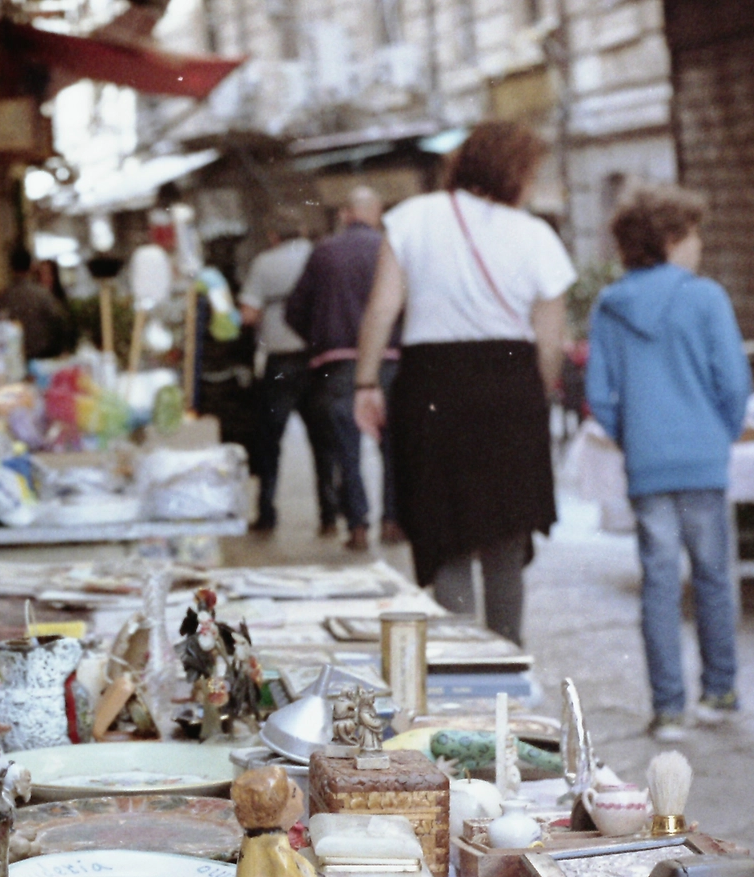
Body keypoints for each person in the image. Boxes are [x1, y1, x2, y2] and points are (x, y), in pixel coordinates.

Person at [353, 121, 575, 646]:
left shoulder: (411, 218)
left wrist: (366, 383)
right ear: (513, 172)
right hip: (510, 388)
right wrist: (535, 395)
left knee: (443, 533)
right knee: (504, 540)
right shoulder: (536, 235)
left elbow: (382, 309)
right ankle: (507, 663)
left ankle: (457, 667)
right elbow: (550, 342)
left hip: (430, 387)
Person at [585, 183, 750, 742]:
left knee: (658, 583)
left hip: (649, 465)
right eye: (695, 232)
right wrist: (718, 434)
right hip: (702, 459)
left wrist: (636, 437)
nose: (699, 243)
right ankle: (720, 693)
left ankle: (669, 709)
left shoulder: (611, 304)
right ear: (674, 238)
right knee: (713, 576)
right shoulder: (705, 298)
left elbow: (601, 394)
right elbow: (733, 381)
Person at [286, 186, 404, 551]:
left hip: (337, 364)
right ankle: (392, 521)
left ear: (345, 214)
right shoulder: (392, 248)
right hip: (388, 359)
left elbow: (294, 309)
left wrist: (320, 340)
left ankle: (356, 526)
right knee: (392, 445)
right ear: (377, 211)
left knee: (344, 448)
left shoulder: (324, 252)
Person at [240, 210, 340, 534]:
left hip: (280, 362)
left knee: (270, 441)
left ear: (273, 236)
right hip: (317, 360)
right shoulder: (319, 257)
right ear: (302, 229)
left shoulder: (264, 263)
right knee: (324, 441)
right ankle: (329, 515)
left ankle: (267, 513)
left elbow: (249, 315)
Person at [0, 248, 73, 360]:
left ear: (11, 267)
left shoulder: (2, 298)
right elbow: (60, 323)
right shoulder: (42, 295)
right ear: (31, 266)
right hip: (43, 357)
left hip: (12, 358)